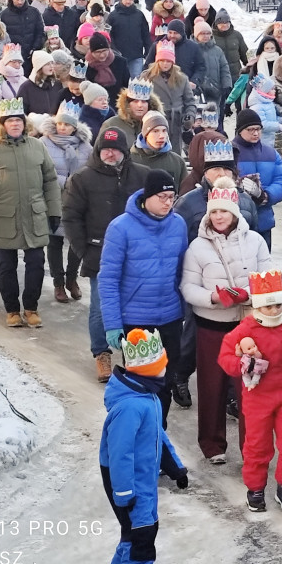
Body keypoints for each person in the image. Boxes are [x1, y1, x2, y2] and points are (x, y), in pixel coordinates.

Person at [100, 169, 188, 466]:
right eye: (162, 197)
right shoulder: (121, 228)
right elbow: (108, 278)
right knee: (141, 388)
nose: (168, 203)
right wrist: (112, 324)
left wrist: (185, 309)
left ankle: (156, 443)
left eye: (172, 197)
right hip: (137, 320)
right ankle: (138, 446)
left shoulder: (178, 225)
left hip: (170, 318)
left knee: (165, 385)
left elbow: (181, 272)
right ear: (146, 198)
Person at [181, 176, 271, 463]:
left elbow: (269, 283)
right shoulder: (197, 247)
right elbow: (188, 288)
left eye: (224, 211)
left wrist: (250, 295)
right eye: (214, 211)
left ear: (235, 212)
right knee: (211, 388)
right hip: (210, 328)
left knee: (249, 390)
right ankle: (212, 445)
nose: (219, 216)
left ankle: (252, 448)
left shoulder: (255, 241)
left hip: (247, 327)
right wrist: (213, 298)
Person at [218, 270, 282, 512]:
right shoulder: (245, 329)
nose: (274, 311)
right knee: (257, 445)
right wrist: (240, 363)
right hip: (257, 397)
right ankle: (255, 487)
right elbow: (225, 356)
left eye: (278, 305)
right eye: (268, 306)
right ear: (258, 306)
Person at [100, 328, 185, 564]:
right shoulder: (131, 407)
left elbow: (158, 435)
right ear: (147, 370)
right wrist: (124, 493)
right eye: (161, 365)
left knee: (135, 530)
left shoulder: (147, 396)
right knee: (143, 538)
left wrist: (175, 468)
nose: (165, 370)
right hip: (128, 483)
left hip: (142, 478)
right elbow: (119, 454)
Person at [63, 127, 150, 382]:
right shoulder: (82, 178)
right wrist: (84, 250)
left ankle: (133, 353)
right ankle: (101, 353)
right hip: (99, 253)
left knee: (134, 307)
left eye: (115, 149)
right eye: (105, 149)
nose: (110, 154)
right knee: (102, 308)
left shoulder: (142, 175)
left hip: (135, 255)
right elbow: (71, 218)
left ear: (124, 151)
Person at [0, 96, 62, 328]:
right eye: (10, 121)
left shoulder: (38, 147)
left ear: (25, 123)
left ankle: (31, 307)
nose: (15, 124)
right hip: (4, 219)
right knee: (6, 266)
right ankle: (12, 310)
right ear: (2, 124)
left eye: (18, 120)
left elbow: (50, 181)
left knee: (35, 263)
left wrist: (54, 211)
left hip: (34, 216)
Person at [40, 102, 93, 303]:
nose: (63, 127)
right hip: (53, 197)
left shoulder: (85, 146)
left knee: (77, 240)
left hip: (77, 200)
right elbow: (44, 169)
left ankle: (72, 277)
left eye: (67, 125)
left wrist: (79, 185)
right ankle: (58, 282)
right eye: (60, 123)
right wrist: (67, 182)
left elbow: (90, 169)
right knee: (54, 241)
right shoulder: (44, 142)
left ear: (75, 127)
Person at [233, 109, 282, 250]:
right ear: (240, 130)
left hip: (264, 220)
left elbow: (281, 180)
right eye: (250, 129)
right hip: (236, 221)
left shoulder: (271, 153)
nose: (256, 133)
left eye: (258, 129)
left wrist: (266, 195)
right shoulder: (231, 152)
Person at [142, 42, 195, 155]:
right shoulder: (147, 77)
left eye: (168, 61)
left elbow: (190, 101)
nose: (165, 64)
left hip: (176, 122)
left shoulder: (182, 79)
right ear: (157, 61)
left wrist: (190, 115)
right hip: (154, 121)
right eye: (162, 60)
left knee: (174, 155)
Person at [130, 110, 187, 187]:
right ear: (145, 134)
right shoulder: (130, 160)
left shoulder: (177, 162)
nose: (161, 136)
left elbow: (184, 194)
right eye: (155, 131)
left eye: (164, 131)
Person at [108, 0, 151, 78]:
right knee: (121, 81)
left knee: (136, 81)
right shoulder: (113, 16)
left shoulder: (139, 15)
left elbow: (145, 34)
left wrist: (148, 50)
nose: (128, 1)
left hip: (136, 55)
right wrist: (114, 49)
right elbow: (109, 36)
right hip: (119, 56)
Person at [1, 0, 45, 65]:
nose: (20, 2)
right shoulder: (4, 14)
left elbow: (40, 31)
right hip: (12, 57)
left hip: (31, 55)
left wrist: (35, 48)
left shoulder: (34, 12)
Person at [213, 9, 248, 83]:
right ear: (217, 24)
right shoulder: (211, 37)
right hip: (219, 75)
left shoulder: (237, 35)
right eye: (222, 23)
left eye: (227, 22)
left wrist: (249, 66)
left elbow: (244, 53)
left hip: (236, 74)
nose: (225, 25)